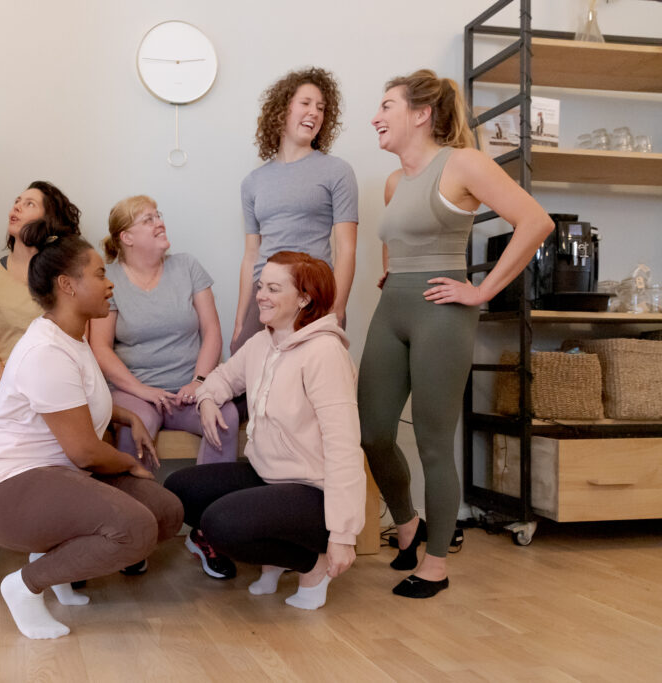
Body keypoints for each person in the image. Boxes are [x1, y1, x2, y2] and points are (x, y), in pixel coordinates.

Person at [359, 69, 553, 598]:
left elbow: (535, 221)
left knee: (431, 442)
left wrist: (481, 289)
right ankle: (407, 525)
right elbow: (396, 236)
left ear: (420, 114)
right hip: (392, 307)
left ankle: (436, 564)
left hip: (440, 315)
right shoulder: (396, 180)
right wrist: (393, 269)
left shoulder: (462, 163)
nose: (375, 117)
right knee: (373, 432)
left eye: (385, 106)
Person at [0, 230, 184, 640]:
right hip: (2, 489)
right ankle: (25, 585)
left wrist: (123, 415)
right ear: (67, 285)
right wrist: (129, 464)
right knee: (135, 528)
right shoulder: (47, 349)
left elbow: (73, 401)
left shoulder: (73, 336)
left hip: (54, 478)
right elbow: (84, 451)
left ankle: (61, 569)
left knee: (166, 513)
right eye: (100, 274)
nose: (110, 282)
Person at [165, 252, 366, 607]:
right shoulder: (263, 342)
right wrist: (208, 400)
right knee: (181, 490)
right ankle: (273, 561)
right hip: (268, 475)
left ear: (304, 298)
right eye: (261, 286)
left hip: (313, 489)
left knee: (221, 524)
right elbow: (222, 378)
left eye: (273, 288)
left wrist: (343, 535)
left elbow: (344, 446)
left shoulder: (324, 353)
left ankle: (313, 564)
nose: (261, 295)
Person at [0, 181, 81, 597]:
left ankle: (66, 546)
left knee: (77, 432)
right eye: (16, 200)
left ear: (47, 222)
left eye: (29, 203)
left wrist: (45, 391)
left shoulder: (62, 277)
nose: (16, 206)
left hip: (55, 382)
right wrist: (16, 386)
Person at [90, 195, 239, 472]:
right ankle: (139, 509)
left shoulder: (187, 266)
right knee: (135, 424)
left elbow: (212, 330)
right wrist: (143, 391)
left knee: (225, 417)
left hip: (189, 390)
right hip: (135, 391)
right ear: (127, 237)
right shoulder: (108, 280)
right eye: (149, 219)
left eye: (159, 216)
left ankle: (210, 504)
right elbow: (100, 347)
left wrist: (199, 381)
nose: (160, 223)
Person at [232, 67, 359, 354]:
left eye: (321, 108)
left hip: (312, 294)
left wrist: (336, 309)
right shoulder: (252, 182)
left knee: (305, 386)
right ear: (282, 110)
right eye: (305, 103)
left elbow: (346, 249)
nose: (314, 112)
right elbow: (251, 255)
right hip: (265, 292)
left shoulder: (337, 171)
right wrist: (240, 319)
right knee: (248, 387)